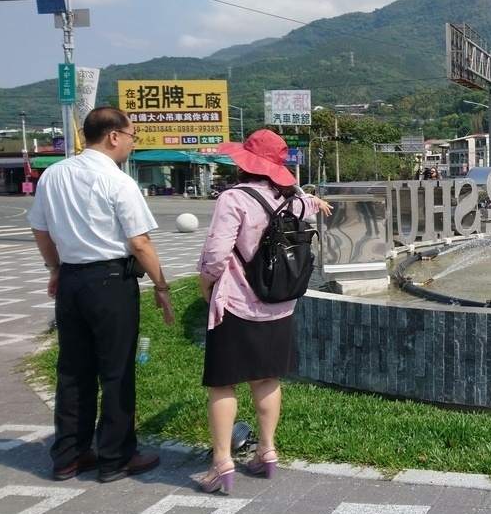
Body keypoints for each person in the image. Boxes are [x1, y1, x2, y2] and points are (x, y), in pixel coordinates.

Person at [29, 106, 175, 483]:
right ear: (113, 136)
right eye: (131, 136)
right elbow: (140, 242)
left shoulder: (53, 175)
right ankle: (116, 457)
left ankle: (68, 455)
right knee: (115, 371)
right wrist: (161, 286)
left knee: (73, 371)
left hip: (72, 283)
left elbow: (41, 231)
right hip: (111, 282)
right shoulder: (117, 180)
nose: (131, 143)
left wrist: (55, 269)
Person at [196, 129, 331, 493]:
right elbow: (308, 203)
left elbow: (215, 254)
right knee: (267, 378)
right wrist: (309, 196)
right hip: (278, 305)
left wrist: (206, 283)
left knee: (223, 382)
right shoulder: (294, 202)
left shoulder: (233, 198)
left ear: (246, 162)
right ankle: (267, 452)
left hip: (236, 303)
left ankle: (222, 460)